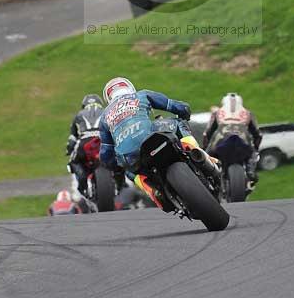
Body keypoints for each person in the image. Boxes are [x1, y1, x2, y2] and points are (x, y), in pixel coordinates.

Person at [98, 76, 201, 210]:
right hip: (151, 136)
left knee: (130, 172)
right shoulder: (142, 95)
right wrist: (185, 113)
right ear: (130, 88)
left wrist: (115, 167)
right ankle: (196, 153)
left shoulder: (104, 117)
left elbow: (106, 154)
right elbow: (175, 106)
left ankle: (153, 192)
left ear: (108, 98)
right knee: (177, 123)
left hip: (130, 155)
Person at [66, 94, 125, 196]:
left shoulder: (79, 115)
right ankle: (119, 182)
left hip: (84, 142)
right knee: (121, 159)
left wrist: (69, 150)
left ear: (84, 105)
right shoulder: (108, 112)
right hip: (105, 140)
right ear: (100, 104)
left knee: (73, 162)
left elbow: (72, 139)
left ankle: (82, 186)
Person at [202, 93, 261, 187]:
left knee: (207, 158)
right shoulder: (248, 113)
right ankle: (250, 171)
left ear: (224, 102)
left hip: (220, 139)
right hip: (243, 140)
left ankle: (205, 175)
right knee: (253, 154)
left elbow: (207, 133)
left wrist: (205, 148)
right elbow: (258, 134)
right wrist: (256, 148)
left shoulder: (217, 112)